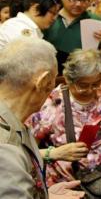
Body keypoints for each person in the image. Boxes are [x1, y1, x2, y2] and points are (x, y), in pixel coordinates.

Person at [27, 49, 101, 190]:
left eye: (96, 83)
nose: (90, 90)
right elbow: (27, 150)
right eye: (83, 85)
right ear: (68, 79)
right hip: (65, 181)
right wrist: (57, 153)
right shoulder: (51, 103)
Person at [0, 38, 84, 198]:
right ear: (43, 81)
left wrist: (43, 194)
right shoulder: (5, 147)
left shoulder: (13, 121)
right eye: (54, 80)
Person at [44, 0, 101, 74]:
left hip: (83, 80)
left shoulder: (96, 21)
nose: (78, 4)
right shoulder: (49, 18)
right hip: (50, 78)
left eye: (84, 0)